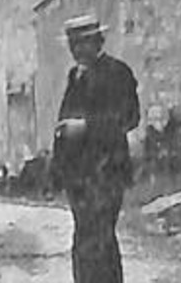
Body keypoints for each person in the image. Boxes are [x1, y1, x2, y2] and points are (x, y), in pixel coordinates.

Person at [51, 14, 139, 283]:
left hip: (106, 171)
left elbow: (129, 117)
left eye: (83, 43)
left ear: (97, 41)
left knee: (100, 240)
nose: (77, 50)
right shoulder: (75, 76)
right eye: (73, 45)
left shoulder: (117, 73)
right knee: (83, 240)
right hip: (78, 178)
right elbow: (64, 123)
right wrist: (57, 169)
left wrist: (86, 127)